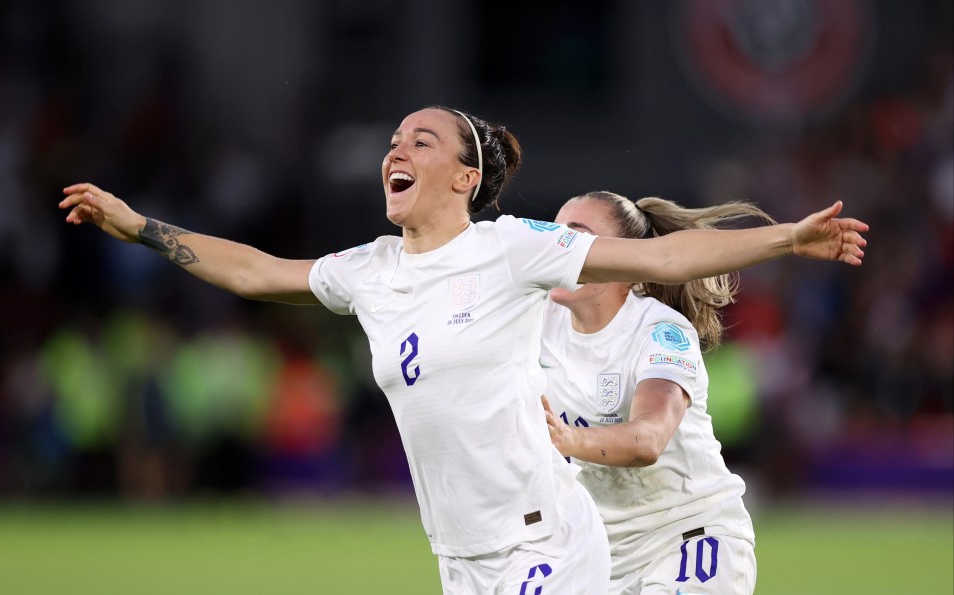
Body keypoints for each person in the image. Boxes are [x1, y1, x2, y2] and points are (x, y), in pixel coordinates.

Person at [59, 106, 868, 594]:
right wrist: (140, 227)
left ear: (465, 175)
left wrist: (787, 240)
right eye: (393, 141)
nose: (396, 151)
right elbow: (257, 272)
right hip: (462, 553)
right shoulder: (370, 273)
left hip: (545, 539)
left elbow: (661, 261)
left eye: (421, 140)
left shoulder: (512, 251)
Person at [539, 191, 793, 594]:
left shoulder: (660, 331)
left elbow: (648, 439)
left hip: (689, 537)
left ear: (625, 260)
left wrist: (569, 439)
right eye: (553, 234)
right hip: (599, 556)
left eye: (576, 235)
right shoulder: (537, 321)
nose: (558, 247)